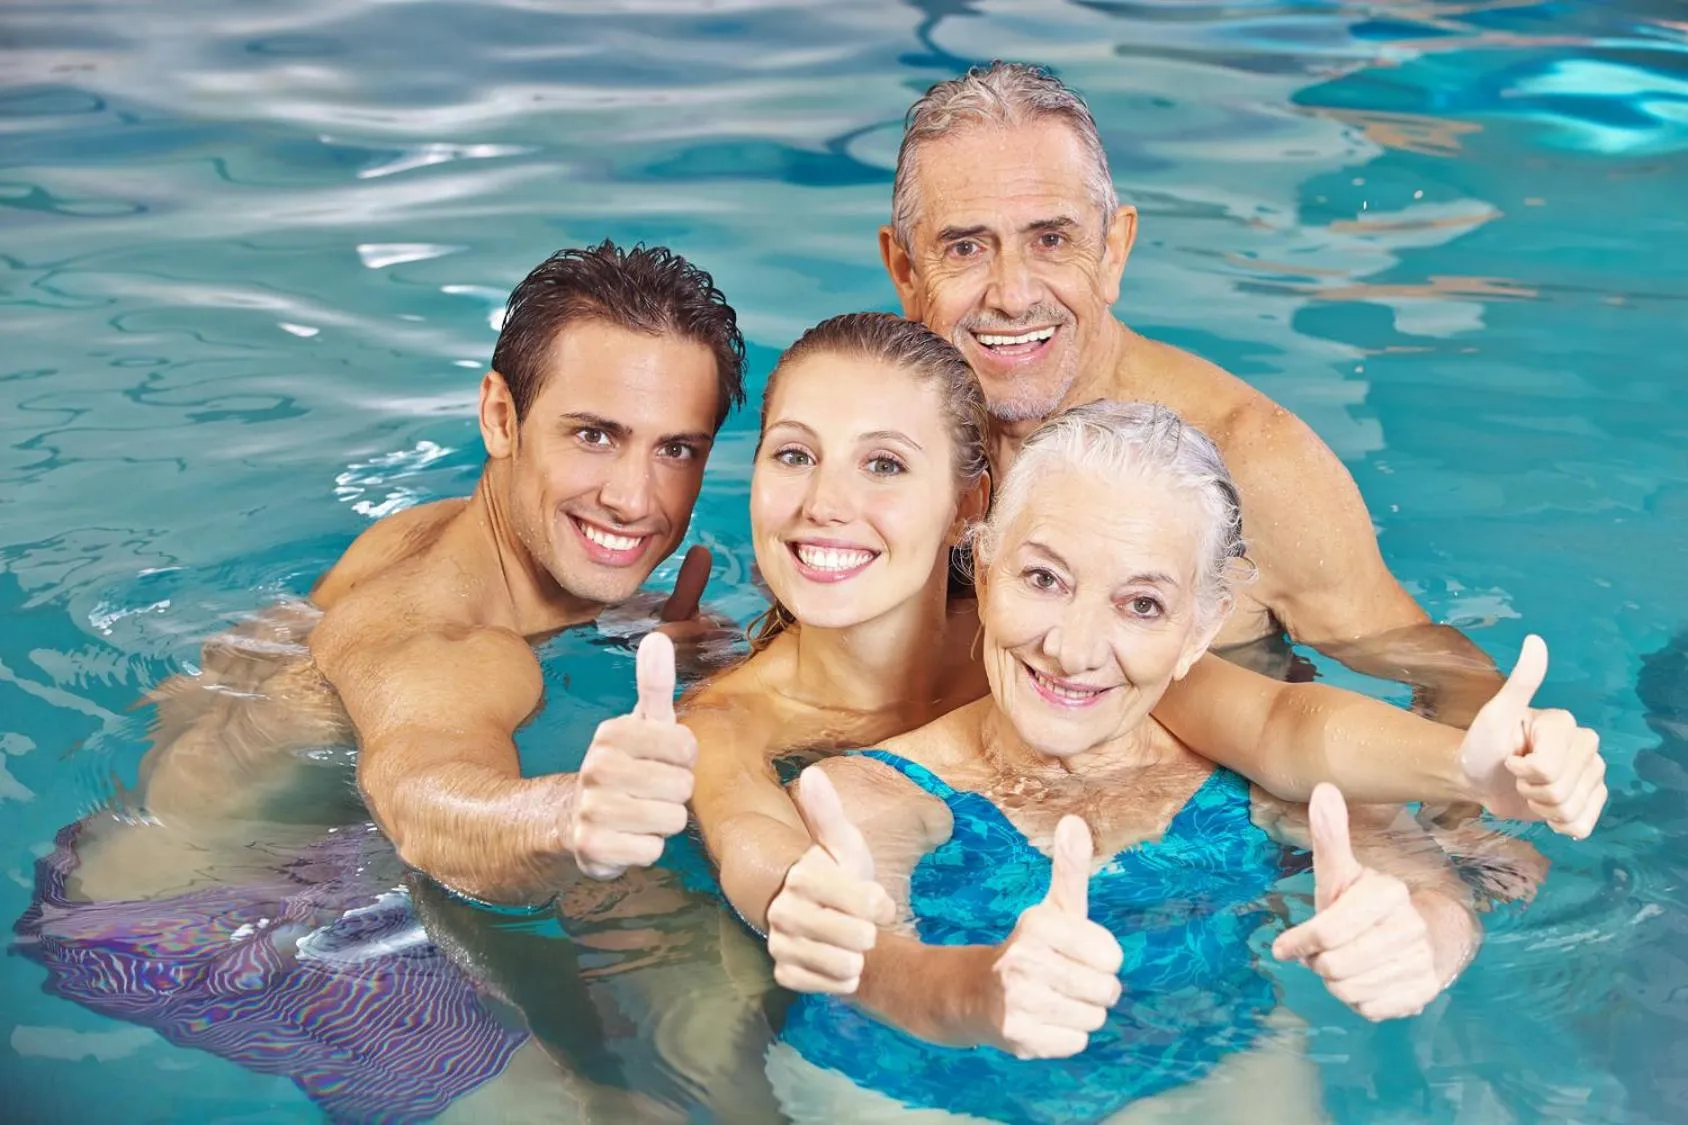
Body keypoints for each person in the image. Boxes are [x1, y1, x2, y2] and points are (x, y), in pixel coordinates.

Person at [12, 240, 765, 1123]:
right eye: (594, 435)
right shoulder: (444, 637)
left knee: (688, 957)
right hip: (203, 933)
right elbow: (421, 793)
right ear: (499, 416)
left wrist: (627, 627)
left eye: (676, 447)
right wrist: (568, 815)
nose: (636, 499)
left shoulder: (447, 532)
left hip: (152, 853)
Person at [752, 400, 1566, 1122]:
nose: (1072, 649)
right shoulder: (875, 794)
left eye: (1142, 604)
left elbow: (1436, 891)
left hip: (1199, 1069)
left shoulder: (1264, 784)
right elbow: (868, 967)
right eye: (1043, 577)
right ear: (987, 562)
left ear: (1201, 632)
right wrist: (984, 991)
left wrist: (1427, 938)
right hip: (900, 1083)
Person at [686, 312, 1605, 950]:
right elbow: (751, 840)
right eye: (793, 455)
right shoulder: (726, 720)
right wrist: (809, 901)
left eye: (882, 464)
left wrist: (1468, 769)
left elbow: (1279, 726)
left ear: (972, 508)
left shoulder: (1044, 629)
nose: (827, 505)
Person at [878, 61, 1505, 723]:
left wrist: (1455, 820)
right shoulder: (871, 454)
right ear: (905, 271)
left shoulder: (1251, 462)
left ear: (1114, 252)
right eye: (967, 248)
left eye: (1052, 240)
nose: (1013, 294)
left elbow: (1455, 680)